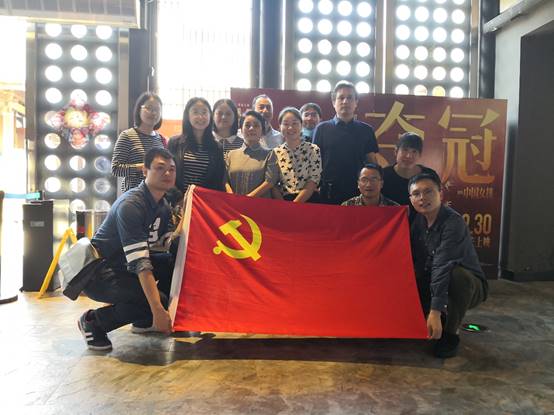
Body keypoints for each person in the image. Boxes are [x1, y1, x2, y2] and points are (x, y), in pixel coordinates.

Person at [78, 148, 177, 351]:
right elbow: (140, 262)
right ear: (145, 171)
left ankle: (143, 319)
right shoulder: (131, 204)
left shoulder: (163, 205)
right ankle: (94, 321)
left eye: (172, 169)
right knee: (157, 299)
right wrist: (158, 308)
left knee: (172, 261)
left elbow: (165, 241)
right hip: (99, 273)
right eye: (160, 168)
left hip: (123, 266)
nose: (167, 173)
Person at [409, 172, 488, 358]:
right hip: (434, 279)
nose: (422, 198)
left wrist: (435, 311)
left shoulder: (453, 222)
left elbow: (442, 264)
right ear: (411, 199)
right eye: (416, 193)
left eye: (428, 191)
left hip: (468, 286)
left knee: (457, 275)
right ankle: (439, 316)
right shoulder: (418, 221)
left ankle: (451, 334)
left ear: (440, 193)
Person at [313, 80, 379, 205]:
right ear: (333, 102)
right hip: (328, 193)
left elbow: (372, 163)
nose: (345, 101)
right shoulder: (321, 129)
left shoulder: (366, 130)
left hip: (358, 192)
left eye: (349, 98)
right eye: (341, 98)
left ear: (356, 102)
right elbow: (315, 162)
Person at [168, 97, 225, 193]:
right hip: (177, 200)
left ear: (210, 116)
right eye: (195, 112)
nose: (200, 117)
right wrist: (179, 198)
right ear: (188, 116)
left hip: (203, 200)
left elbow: (218, 181)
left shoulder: (217, 148)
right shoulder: (174, 143)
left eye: (204, 112)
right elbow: (167, 173)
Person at [112, 92, 166, 192]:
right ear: (139, 110)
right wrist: (143, 166)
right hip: (133, 196)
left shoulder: (161, 139)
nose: (153, 112)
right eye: (149, 108)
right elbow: (116, 169)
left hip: (156, 196)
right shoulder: (127, 136)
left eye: (157, 109)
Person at [382, 132, 438, 220]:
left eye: (414, 151)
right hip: (392, 224)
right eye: (405, 150)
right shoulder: (383, 175)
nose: (409, 156)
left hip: (423, 225)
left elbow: (436, 205)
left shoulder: (429, 175)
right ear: (396, 151)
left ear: (420, 155)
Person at [272, 107, 322, 203]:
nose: (290, 127)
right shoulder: (275, 153)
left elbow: (313, 180)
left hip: (309, 200)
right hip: (284, 203)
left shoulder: (313, 149)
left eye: (295, 123)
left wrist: (294, 205)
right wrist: (284, 206)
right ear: (280, 127)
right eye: (286, 124)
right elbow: (272, 183)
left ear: (301, 125)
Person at [225, 110, 279, 197]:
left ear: (262, 131)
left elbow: (270, 181)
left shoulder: (269, 154)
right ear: (241, 130)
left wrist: (248, 198)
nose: (251, 128)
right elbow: (224, 180)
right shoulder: (230, 155)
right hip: (233, 203)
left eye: (256, 125)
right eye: (247, 125)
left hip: (259, 204)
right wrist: (232, 196)